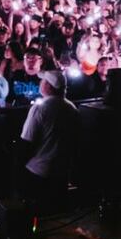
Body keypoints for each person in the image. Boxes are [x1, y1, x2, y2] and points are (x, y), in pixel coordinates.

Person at [19, 70, 80, 208]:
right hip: (61, 171)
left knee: (36, 214)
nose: (40, 83)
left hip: (38, 171)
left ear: (49, 86)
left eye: (43, 81)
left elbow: (27, 140)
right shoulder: (72, 108)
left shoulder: (40, 108)